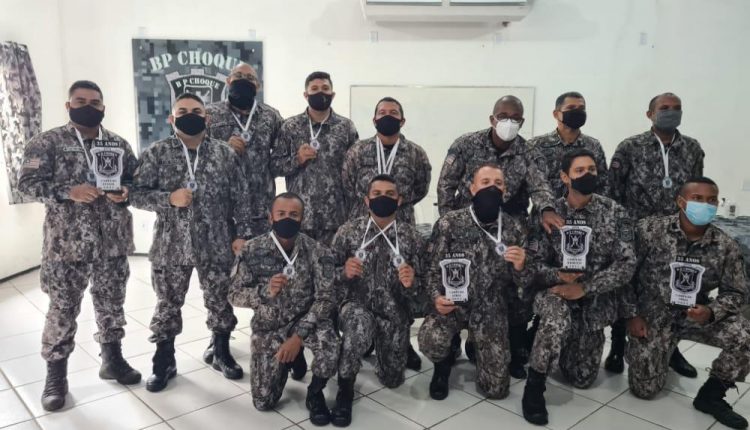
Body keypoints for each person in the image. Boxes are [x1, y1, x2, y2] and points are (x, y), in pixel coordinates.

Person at [18, 80, 141, 411]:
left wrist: (125, 192)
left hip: (112, 241)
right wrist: (67, 192)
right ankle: (56, 376)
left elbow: (135, 180)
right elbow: (26, 184)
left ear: (103, 107)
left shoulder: (117, 144)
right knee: (63, 308)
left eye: (95, 102)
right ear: (68, 105)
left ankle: (112, 359)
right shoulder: (47, 143)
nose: (88, 106)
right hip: (66, 244)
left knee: (112, 303)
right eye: (81, 101)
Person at [130, 93, 253, 392]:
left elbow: (242, 198)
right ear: (171, 119)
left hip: (217, 242)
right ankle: (164, 359)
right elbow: (135, 194)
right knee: (167, 303)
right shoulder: (157, 152)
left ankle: (220, 350)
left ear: (207, 118)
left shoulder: (224, 153)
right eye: (182, 111)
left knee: (220, 298)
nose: (190, 115)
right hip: (171, 244)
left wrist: (242, 234)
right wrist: (168, 199)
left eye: (196, 111)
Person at [436, 95, 563, 377]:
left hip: (508, 228)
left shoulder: (528, 152)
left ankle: (511, 345)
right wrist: (449, 222)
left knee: (512, 286)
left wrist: (547, 208)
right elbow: (446, 184)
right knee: (457, 280)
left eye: (515, 118)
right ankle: (449, 346)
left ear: (522, 122)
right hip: (468, 224)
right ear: (492, 119)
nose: (509, 122)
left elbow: (540, 186)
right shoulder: (466, 144)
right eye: (503, 116)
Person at [521, 149, 636, 425]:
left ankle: (555, 337)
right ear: (565, 177)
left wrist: (586, 288)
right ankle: (534, 387)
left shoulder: (616, 212)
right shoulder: (548, 214)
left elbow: (627, 264)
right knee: (556, 315)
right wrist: (558, 275)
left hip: (594, 299)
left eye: (592, 170)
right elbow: (531, 265)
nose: (587, 175)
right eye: (580, 171)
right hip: (556, 292)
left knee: (581, 378)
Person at [625, 177, 750, 430]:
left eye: (711, 200)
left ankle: (711, 395)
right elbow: (625, 275)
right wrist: (631, 315)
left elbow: (736, 292)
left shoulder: (726, 245)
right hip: (653, 314)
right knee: (645, 390)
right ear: (681, 202)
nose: (706, 205)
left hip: (696, 314)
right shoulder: (649, 231)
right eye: (697, 199)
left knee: (746, 336)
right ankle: (663, 350)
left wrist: (711, 312)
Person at [605, 92, 705, 377]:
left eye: (676, 108)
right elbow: (613, 192)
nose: (671, 112)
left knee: (673, 291)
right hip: (636, 232)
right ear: (650, 114)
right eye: (664, 108)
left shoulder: (692, 148)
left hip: (676, 234)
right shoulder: (630, 147)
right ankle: (617, 345)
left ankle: (672, 349)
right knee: (627, 285)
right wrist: (620, 233)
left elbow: (696, 191)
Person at [419, 163, 532, 400]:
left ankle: (475, 346)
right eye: (485, 183)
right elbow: (431, 269)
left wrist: (521, 266)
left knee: (497, 389)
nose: (492, 188)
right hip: (453, 302)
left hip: (490, 307)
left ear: (505, 191)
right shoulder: (450, 223)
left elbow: (522, 282)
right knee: (431, 339)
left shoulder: (514, 228)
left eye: (498, 184)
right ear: (472, 188)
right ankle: (442, 366)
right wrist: (436, 298)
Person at [229, 193, 339, 426]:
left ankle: (315, 392)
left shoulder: (318, 251)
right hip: (270, 326)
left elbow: (326, 299)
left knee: (330, 346)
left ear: (302, 219)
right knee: (263, 401)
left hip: (306, 322)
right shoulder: (251, 249)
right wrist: (264, 291)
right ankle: (292, 360)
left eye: (293, 215)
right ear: (271, 218)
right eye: (281, 214)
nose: (287, 219)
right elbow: (234, 294)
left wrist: (298, 338)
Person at [330, 174, 424, 426]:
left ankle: (378, 344)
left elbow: (425, 286)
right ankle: (345, 387)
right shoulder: (348, 232)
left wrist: (412, 282)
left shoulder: (411, 237)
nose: (383, 199)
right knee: (360, 326)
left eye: (390, 195)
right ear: (366, 200)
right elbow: (326, 274)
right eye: (377, 194)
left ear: (400, 200)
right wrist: (343, 272)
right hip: (356, 307)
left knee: (393, 379)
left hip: (392, 312)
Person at [271, 71, 359, 245]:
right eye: (315, 89)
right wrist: (297, 159)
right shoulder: (290, 127)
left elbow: (355, 170)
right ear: (306, 95)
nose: (320, 92)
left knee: (332, 261)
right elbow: (274, 166)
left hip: (336, 218)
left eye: (325, 88)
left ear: (332, 94)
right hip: (299, 217)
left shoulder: (345, 127)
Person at [206, 62, 283, 238]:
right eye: (238, 76)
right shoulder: (210, 114)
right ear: (228, 81)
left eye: (250, 78)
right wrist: (222, 149)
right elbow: (195, 155)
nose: (243, 81)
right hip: (221, 211)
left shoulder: (271, 116)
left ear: (258, 86)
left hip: (260, 212)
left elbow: (281, 159)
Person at [342, 97, 431, 225]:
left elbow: (421, 189)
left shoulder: (416, 153)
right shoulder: (357, 151)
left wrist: (397, 201)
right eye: (382, 113)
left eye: (393, 113)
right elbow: (348, 187)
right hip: (363, 223)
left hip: (401, 223)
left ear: (402, 121)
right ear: (374, 121)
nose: (387, 116)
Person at [526, 91, 608, 198]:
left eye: (581, 108)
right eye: (571, 108)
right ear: (556, 114)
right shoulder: (537, 145)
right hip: (548, 207)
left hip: (585, 207)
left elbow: (603, 184)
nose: (577, 112)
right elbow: (530, 185)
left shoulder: (593, 146)